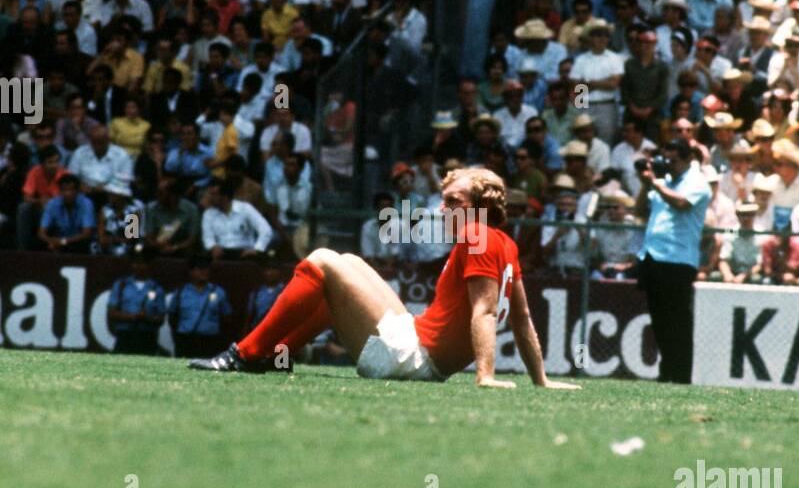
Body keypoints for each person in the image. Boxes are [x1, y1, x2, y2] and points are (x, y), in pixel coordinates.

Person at [188, 167, 578, 390]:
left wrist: (485, 376)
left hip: (412, 358)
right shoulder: (503, 242)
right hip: (416, 343)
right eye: (443, 201)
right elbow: (523, 317)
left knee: (323, 259)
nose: (442, 209)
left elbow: (485, 312)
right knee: (346, 264)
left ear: (481, 207)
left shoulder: (477, 236)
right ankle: (276, 356)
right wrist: (540, 380)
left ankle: (241, 354)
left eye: (453, 202)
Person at [634, 138, 712, 384]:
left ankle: (680, 375)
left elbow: (680, 203)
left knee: (678, 320)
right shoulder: (663, 182)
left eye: (674, 161)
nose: (670, 165)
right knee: (659, 319)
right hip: (653, 256)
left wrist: (655, 183)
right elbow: (639, 210)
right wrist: (644, 184)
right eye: (666, 160)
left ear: (689, 158)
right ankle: (666, 371)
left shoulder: (698, 183)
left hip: (678, 260)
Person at [168, 255, 234, 360]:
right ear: (191, 271)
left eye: (206, 268)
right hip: (185, 340)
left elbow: (227, 318)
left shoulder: (218, 292)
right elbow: (172, 316)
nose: (204, 272)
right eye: (199, 269)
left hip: (209, 341)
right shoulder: (181, 291)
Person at [107, 245, 166, 355]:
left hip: (147, 336)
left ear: (148, 265)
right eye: (136, 263)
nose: (139, 266)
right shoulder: (121, 285)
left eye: (142, 263)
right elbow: (111, 312)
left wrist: (147, 318)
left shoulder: (156, 288)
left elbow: (161, 317)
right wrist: (133, 316)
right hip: (125, 334)